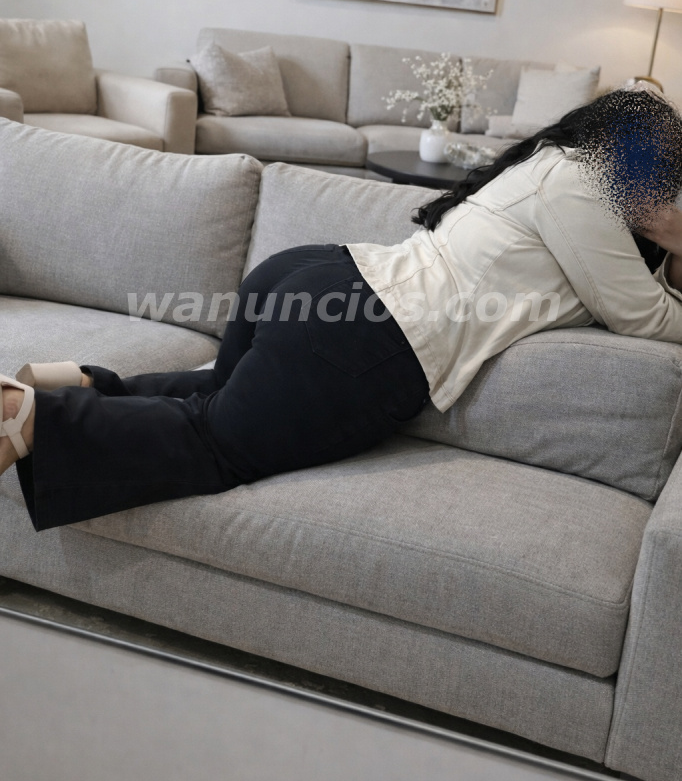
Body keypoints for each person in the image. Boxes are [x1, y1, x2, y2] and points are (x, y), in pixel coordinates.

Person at [3, 88, 682, 532]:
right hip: (370, 332)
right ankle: (32, 417)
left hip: (321, 277)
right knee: (217, 443)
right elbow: (646, 319)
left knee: (217, 397)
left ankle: (70, 384)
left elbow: (636, 294)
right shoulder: (585, 186)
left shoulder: (550, 165)